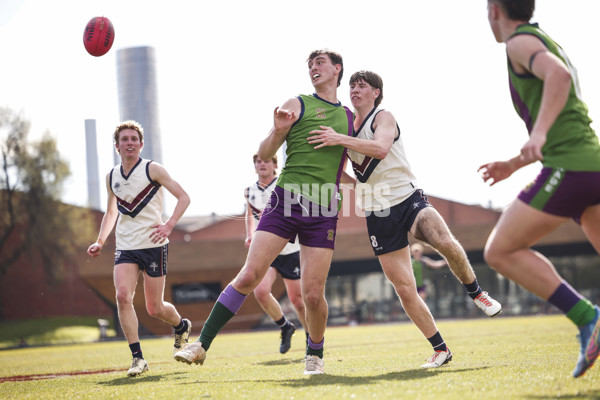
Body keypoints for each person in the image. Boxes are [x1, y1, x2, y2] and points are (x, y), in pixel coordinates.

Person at [307, 70, 502, 369]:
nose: (355, 90)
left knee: (441, 239)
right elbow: (352, 176)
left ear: (376, 92)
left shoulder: (383, 117)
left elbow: (381, 149)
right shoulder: (345, 127)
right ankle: (441, 350)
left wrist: (339, 139)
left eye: (362, 86)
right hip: (376, 212)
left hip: (406, 198)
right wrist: (334, 176)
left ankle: (477, 293)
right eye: (352, 86)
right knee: (404, 288)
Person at [174, 49, 353, 375]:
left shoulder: (350, 118)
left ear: (337, 69)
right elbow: (265, 153)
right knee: (249, 276)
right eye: (309, 65)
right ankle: (200, 345)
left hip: (323, 207)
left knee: (312, 296)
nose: (313, 68)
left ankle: (314, 354)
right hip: (285, 200)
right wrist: (277, 131)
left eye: (320, 63)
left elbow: (354, 165)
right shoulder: (297, 103)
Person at [479, 0, 600, 378]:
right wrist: (514, 164)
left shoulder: (518, 42)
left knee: (499, 250)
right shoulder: (542, 37)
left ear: (495, 9)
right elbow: (564, 116)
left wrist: (541, 133)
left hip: (571, 167)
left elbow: (558, 77)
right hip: (590, 161)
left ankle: (587, 317)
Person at [87, 120, 192, 377]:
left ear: (141, 144)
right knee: (123, 295)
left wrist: (168, 226)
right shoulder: (111, 176)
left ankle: (181, 326)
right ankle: (138, 358)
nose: (130, 143)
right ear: (117, 146)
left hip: (154, 245)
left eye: (134, 138)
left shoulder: (153, 169)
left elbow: (184, 197)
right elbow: (111, 211)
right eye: (125, 139)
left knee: (154, 308)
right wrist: (100, 241)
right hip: (126, 247)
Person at [245, 153, 309, 354]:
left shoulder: (283, 185)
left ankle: (311, 337)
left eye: (266, 161)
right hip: (267, 250)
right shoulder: (249, 191)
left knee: (298, 300)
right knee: (260, 292)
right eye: (258, 162)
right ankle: (285, 326)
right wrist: (250, 234)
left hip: (290, 249)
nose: (262, 164)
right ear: (255, 166)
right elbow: (249, 214)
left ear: (275, 165)